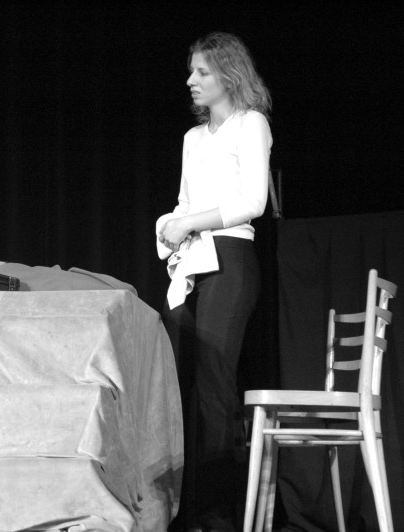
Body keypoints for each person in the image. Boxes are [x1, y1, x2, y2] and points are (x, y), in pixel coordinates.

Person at [157, 32, 272, 532]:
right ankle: (188, 510)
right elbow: (185, 203)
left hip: (231, 258)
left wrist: (190, 222)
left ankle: (221, 513)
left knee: (215, 383)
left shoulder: (251, 124)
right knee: (182, 381)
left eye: (202, 71)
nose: (191, 80)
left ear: (228, 74)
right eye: (192, 70)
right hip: (193, 261)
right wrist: (170, 225)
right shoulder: (192, 138)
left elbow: (253, 202)